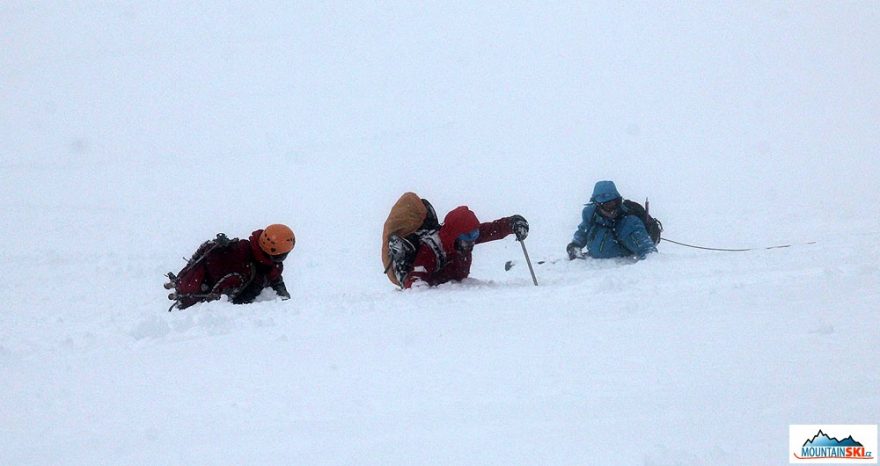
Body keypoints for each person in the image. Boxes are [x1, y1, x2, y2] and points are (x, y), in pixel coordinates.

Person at [395, 204, 529, 289]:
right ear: (454, 235)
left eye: (475, 234)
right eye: (468, 236)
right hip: (440, 307)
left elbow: (492, 230)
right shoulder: (431, 250)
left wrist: (511, 223)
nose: (472, 240)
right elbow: (415, 282)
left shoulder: (462, 241)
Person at [165, 224, 295, 310]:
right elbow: (240, 304)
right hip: (210, 301)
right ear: (276, 254)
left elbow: (274, 275)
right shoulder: (257, 275)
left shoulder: (244, 248)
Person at [566, 181, 657, 261]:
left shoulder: (629, 223)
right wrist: (575, 245)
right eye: (607, 205)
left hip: (618, 271)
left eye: (615, 203)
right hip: (594, 267)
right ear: (597, 205)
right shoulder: (591, 214)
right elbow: (583, 231)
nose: (612, 209)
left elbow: (649, 252)